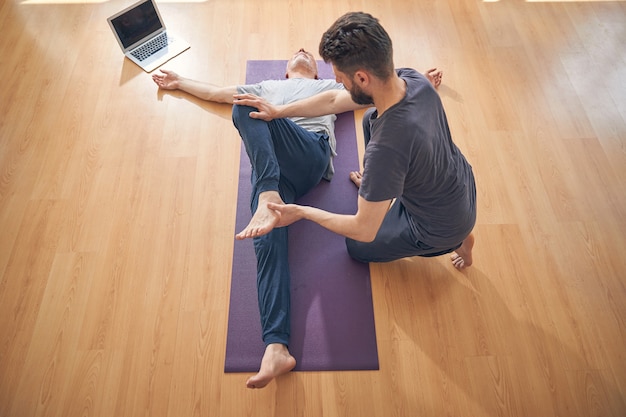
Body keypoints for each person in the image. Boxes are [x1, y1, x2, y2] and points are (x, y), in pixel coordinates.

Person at [152, 48, 443, 389]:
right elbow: (218, 93)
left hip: (306, 154)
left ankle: (267, 193)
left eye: (308, 54)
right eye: (297, 52)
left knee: (247, 106)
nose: (302, 52)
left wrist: (421, 82)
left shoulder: (326, 90)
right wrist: (180, 81)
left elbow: (378, 93)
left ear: (317, 75)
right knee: (267, 245)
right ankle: (276, 347)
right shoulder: (264, 85)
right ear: (286, 74)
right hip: (272, 169)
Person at [234, 12, 476, 273]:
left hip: (438, 224)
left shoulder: (385, 150)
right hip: (459, 181)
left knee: (357, 247)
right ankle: (384, 192)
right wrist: (278, 111)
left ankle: (459, 242)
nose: (337, 81)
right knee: (370, 117)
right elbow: (333, 101)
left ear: (362, 78)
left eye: (340, 77)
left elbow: (363, 228)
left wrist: (302, 212)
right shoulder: (413, 80)